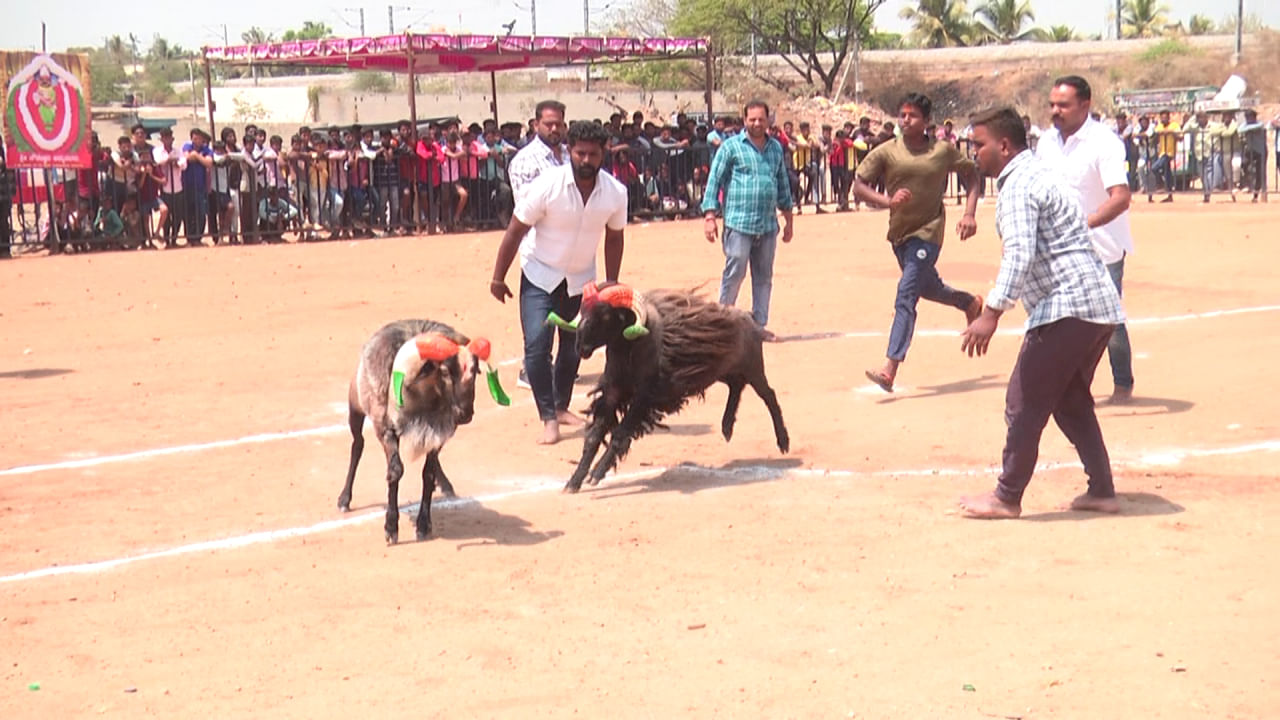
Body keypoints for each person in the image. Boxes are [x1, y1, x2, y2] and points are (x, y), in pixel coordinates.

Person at [957, 107, 1126, 519]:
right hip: (1096, 304)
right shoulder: (1043, 172)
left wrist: (992, 311)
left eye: (978, 145)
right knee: (1069, 401)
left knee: (1024, 400)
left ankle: (1006, 496)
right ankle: (1101, 490)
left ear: (1004, 145)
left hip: (1067, 307)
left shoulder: (1017, 186)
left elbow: (1019, 253)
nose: (973, 154)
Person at [489, 121, 628, 445]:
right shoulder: (547, 185)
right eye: (580, 153)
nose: (586, 160)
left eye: (593, 154)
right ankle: (548, 417)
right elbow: (515, 230)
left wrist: (611, 281)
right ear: (570, 151)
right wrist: (498, 276)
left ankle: (562, 406)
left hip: (581, 281)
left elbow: (615, 237)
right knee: (537, 346)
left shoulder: (615, 193)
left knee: (573, 348)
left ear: (603, 154)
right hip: (539, 274)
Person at [852, 92, 984, 393]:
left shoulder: (942, 151)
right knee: (927, 288)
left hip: (929, 231)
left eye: (912, 115)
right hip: (900, 233)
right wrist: (887, 201)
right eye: (902, 114)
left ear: (926, 121)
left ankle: (890, 367)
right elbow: (858, 186)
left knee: (907, 293)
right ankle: (968, 302)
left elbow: (972, 176)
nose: (905, 120)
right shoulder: (887, 151)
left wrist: (969, 213)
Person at [1036, 75, 1136, 404]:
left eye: (1063, 105)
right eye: (1052, 104)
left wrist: (1085, 224)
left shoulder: (1104, 143)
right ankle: (1073, 388)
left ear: (1085, 105)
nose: (1055, 111)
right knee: (1063, 318)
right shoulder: (1047, 142)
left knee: (1107, 321)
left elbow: (1120, 197)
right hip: (1059, 248)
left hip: (1102, 247)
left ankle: (1122, 383)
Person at [701, 99, 795, 342]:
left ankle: (758, 325)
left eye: (761, 119)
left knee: (763, 276)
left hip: (767, 225)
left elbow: (783, 184)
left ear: (768, 121)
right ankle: (722, 323)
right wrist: (710, 216)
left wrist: (788, 221)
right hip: (738, 223)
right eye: (752, 119)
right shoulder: (730, 148)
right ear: (744, 121)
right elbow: (714, 181)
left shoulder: (775, 148)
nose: (756, 123)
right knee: (735, 271)